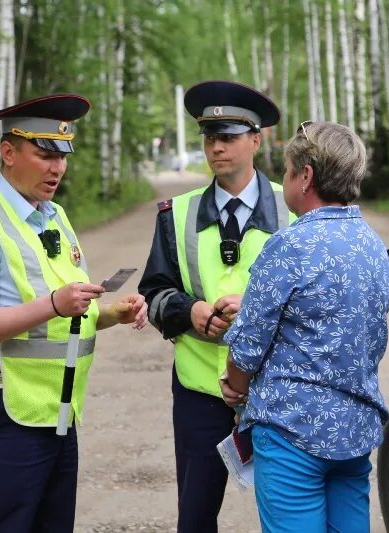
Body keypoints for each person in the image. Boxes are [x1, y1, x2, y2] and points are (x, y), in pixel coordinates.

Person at [0, 94, 148, 532]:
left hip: (58, 410)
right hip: (6, 410)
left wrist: (111, 313)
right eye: (45, 154)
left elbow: (64, 315)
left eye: (63, 156)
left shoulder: (53, 217)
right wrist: (54, 303)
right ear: (9, 152)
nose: (57, 168)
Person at [219, 121, 389, 533]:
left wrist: (236, 385)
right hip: (353, 431)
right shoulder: (372, 243)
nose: (284, 179)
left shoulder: (289, 246)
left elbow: (247, 345)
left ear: (306, 177)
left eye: (287, 170)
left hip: (291, 432)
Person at [138, 80, 293, 533]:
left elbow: (317, 304)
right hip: (200, 394)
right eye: (210, 138)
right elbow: (155, 292)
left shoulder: (296, 210)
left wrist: (258, 310)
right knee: (196, 516)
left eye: (227, 137)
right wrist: (189, 312)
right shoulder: (176, 213)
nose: (216, 148)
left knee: (286, 515)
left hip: (276, 391)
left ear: (256, 140)